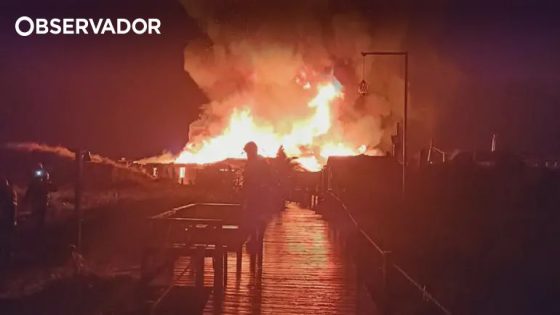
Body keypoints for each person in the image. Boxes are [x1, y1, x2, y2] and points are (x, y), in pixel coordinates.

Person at [241, 142, 272, 255]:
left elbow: (266, 178)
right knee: (253, 218)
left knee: (254, 217)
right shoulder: (255, 162)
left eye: (248, 152)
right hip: (254, 195)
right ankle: (255, 238)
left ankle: (256, 238)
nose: (247, 154)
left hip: (257, 196)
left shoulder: (259, 163)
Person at [24, 163, 54, 231]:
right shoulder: (34, 182)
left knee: (41, 216)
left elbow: (53, 188)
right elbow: (30, 189)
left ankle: (40, 229)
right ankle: (36, 229)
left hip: (43, 201)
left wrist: (47, 181)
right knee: (35, 215)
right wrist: (26, 198)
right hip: (36, 201)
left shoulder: (45, 179)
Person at [0, 177, 17, 264]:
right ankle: (7, 256)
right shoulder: (9, 192)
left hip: (6, 219)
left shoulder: (9, 192)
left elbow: (13, 207)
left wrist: (13, 219)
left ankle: (7, 257)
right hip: (5, 219)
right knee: (5, 239)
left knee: (6, 239)